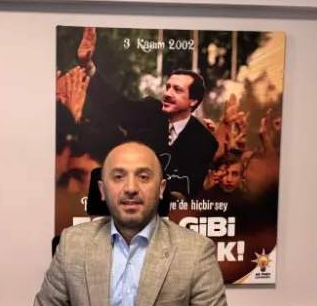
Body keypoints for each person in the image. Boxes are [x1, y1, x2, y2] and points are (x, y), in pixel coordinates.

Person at [23, 140, 235, 306]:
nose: (131, 188)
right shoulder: (73, 243)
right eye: (118, 177)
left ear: (161, 189)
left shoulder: (195, 251)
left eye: (143, 177)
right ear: (102, 190)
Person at [76, 28, 219, 199]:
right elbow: (115, 104)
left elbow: (188, 192)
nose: (168, 94)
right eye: (167, 87)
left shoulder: (204, 141)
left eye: (177, 90)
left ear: (193, 101)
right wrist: (88, 67)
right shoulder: (148, 111)